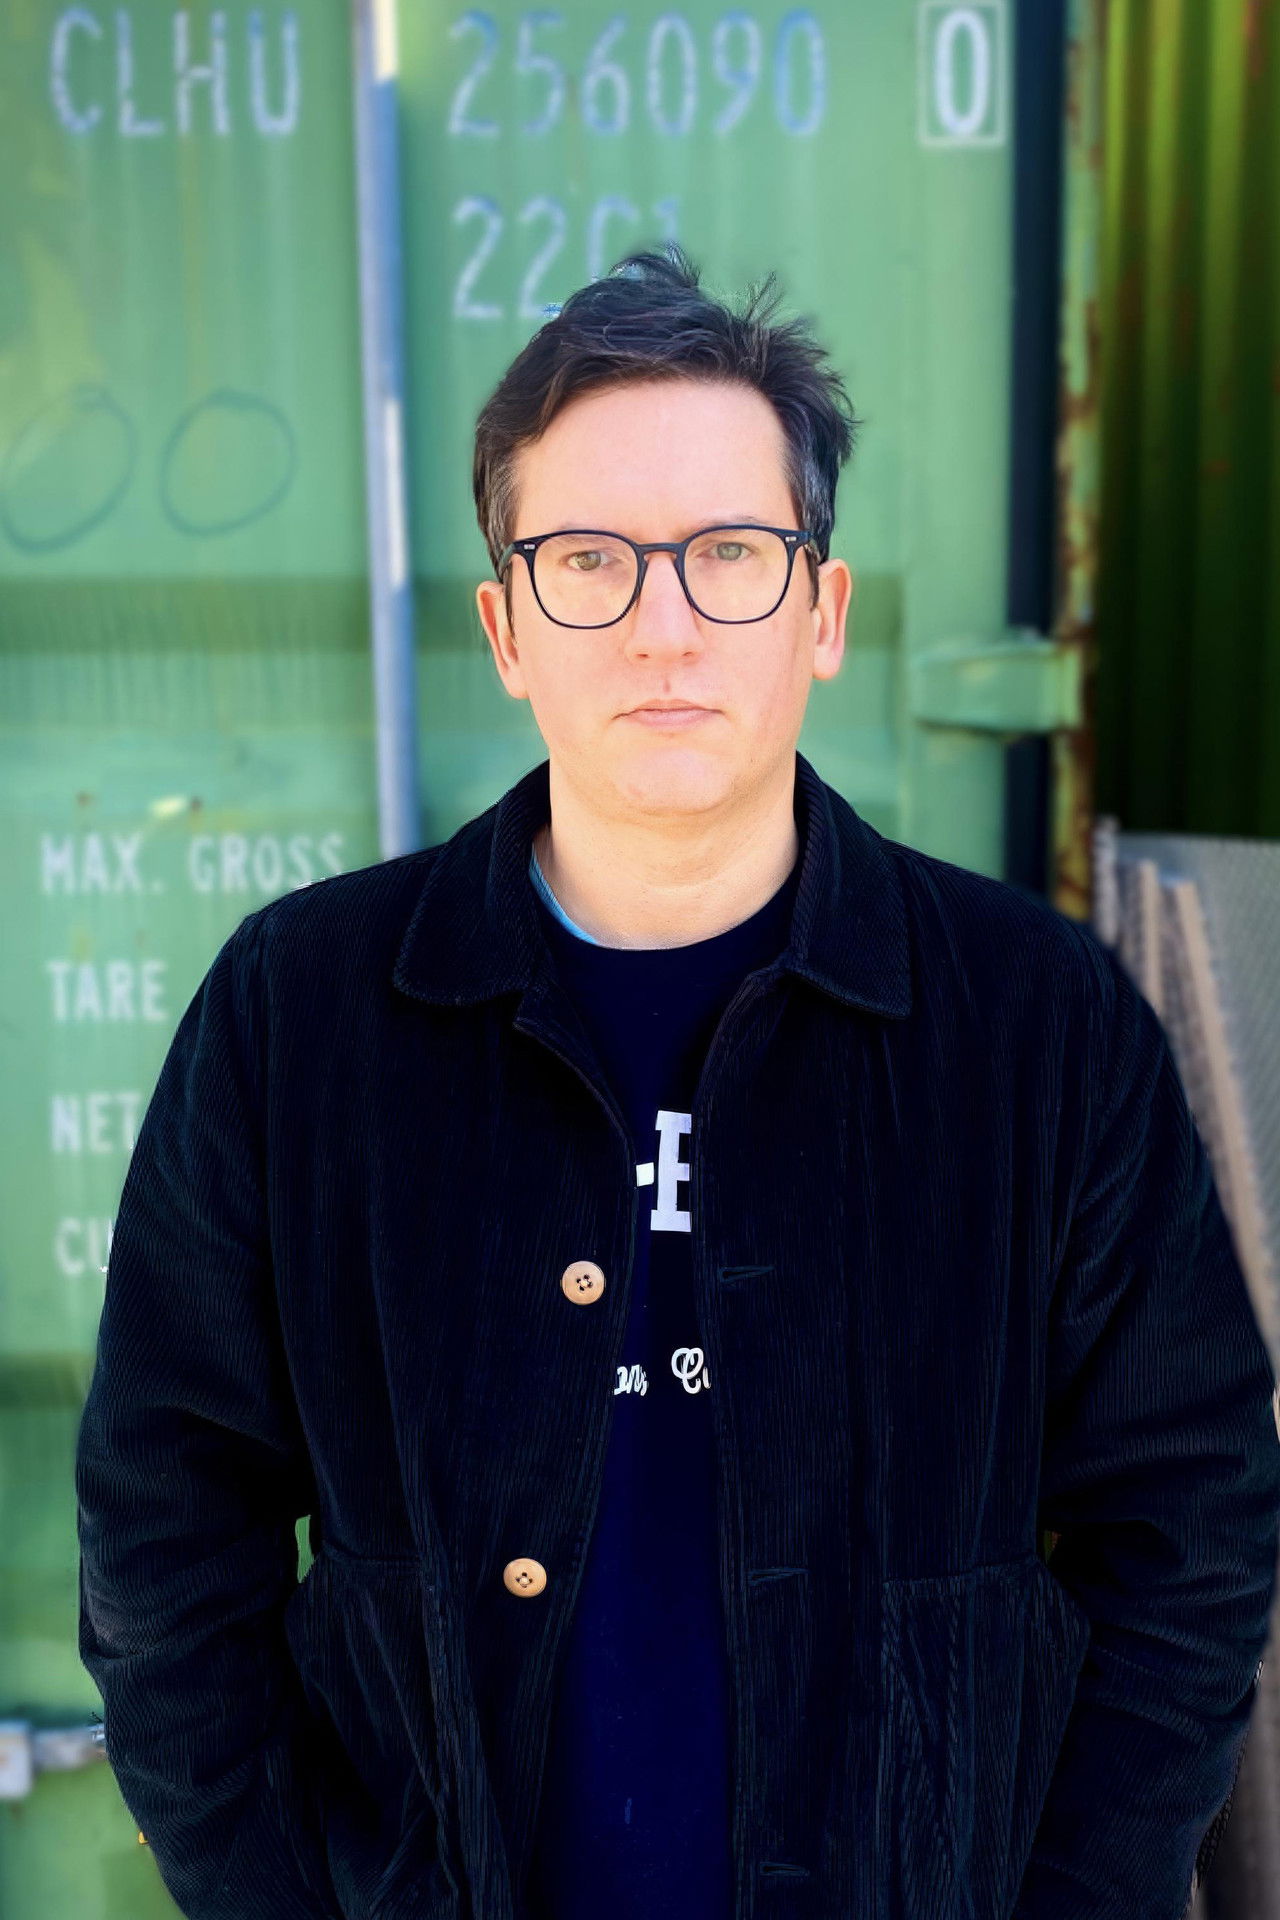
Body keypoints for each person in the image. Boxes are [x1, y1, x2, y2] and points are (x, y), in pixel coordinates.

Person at [76, 245, 1280, 1920]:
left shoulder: (1037, 1028)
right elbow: (162, 1533)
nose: (662, 625)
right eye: (587, 561)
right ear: (505, 629)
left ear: (822, 614)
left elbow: (1193, 1531)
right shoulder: (299, 1018)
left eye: (729, 554)